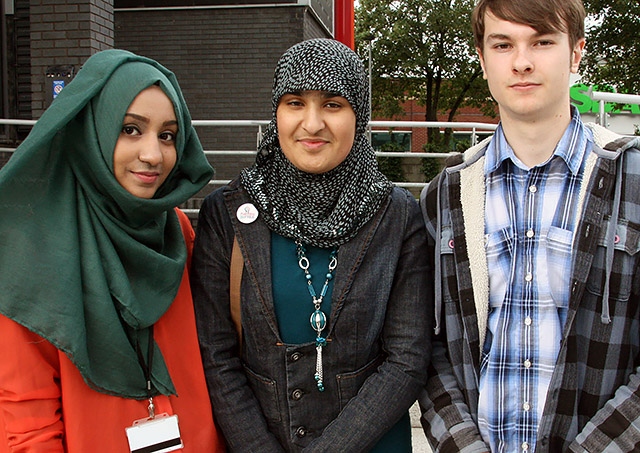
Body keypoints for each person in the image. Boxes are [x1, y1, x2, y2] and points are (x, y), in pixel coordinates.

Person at [418, 0, 640, 451]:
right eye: (503, 44)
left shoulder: (631, 180)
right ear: (482, 59)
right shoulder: (445, 195)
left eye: (541, 42)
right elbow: (429, 350)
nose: (521, 62)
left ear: (576, 53)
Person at [191, 38, 432, 452]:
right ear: (276, 112)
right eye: (295, 102)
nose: (312, 123)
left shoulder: (397, 216)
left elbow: (406, 360)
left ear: (359, 115)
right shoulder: (229, 213)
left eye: (333, 104)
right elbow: (215, 355)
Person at [0, 49, 225, 452]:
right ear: (93, 130)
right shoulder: (33, 249)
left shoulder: (178, 230)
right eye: (131, 129)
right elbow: (27, 422)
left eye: (168, 135)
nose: (153, 155)